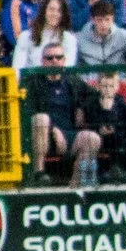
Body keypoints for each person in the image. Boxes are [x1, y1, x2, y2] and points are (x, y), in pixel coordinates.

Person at [26, 42, 83, 180]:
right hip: (43, 134)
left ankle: (78, 179)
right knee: (41, 119)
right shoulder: (32, 81)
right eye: (49, 58)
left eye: (58, 57)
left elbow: (92, 96)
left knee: (91, 139)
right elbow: (28, 110)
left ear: (64, 60)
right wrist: (53, 129)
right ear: (42, 61)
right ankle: (38, 173)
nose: (54, 61)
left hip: (68, 133)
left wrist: (81, 107)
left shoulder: (73, 80)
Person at [75, 73, 126, 186]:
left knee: (118, 139)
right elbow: (90, 121)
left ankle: (118, 168)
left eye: (111, 86)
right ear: (98, 86)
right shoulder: (93, 103)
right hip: (99, 137)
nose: (108, 89)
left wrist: (116, 128)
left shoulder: (121, 102)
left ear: (117, 87)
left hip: (117, 138)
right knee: (93, 139)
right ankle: (99, 172)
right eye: (105, 86)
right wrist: (99, 129)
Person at [11, 0, 73, 71]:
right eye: (51, 9)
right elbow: (17, 69)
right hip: (31, 81)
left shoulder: (69, 38)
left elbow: (68, 68)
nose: (55, 14)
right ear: (44, 11)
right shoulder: (26, 36)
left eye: (59, 11)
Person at [72, 0, 126, 68]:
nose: (104, 24)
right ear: (92, 20)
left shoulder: (124, 36)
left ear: (112, 19)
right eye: (99, 20)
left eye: (107, 19)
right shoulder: (79, 40)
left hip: (119, 77)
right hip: (91, 78)